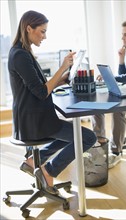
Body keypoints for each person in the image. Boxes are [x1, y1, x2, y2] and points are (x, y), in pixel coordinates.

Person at [8, 10, 97, 195]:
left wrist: (61, 79)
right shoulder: (20, 55)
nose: (45, 36)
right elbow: (42, 92)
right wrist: (62, 67)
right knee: (88, 137)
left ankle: (33, 160)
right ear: (29, 28)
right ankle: (49, 171)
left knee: (73, 134)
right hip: (33, 122)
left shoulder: (23, 52)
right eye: (42, 31)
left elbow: (39, 87)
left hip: (34, 118)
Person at [92, 21, 126, 169]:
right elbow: (124, 76)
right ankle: (99, 144)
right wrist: (121, 59)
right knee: (98, 106)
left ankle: (116, 152)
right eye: (122, 34)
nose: (122, 38)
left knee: (118, 109)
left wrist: (114, 78)